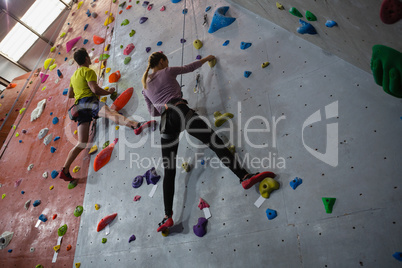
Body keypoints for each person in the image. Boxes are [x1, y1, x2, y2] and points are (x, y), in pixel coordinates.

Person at [141, 52, 277, 232]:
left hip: (166, 124)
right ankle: (244, 177)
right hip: (180, 110)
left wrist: (161, 102)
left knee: (170, 171)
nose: (168, 63)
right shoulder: (166, 71)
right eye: (166, 60)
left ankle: (167, 216)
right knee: (214, 142)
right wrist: (206, 59)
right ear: (162, 61)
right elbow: (189, 68)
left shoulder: (145, 87)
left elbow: (153, 113)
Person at [59, 48, 141, 182]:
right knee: (110, 113)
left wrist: (81, 90)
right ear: (86, 58)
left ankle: (65, 170)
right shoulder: (88, 71)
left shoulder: (74, 77)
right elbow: (95, 89)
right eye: (89, 57)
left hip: (79, 107)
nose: (90, 58)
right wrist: (109, 92)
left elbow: (70, 95)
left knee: (81, 143)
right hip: (90, 102)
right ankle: (134, 125)